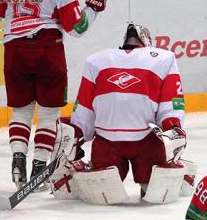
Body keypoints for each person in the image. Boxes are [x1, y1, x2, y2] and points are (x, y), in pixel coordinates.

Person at [0, 0, 112, 189]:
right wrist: (94, 5)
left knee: (21, 111)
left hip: (15, 50)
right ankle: (39, 167)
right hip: (48, 49)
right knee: (48, 114)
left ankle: (18, 158)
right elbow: (76, 29)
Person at [50, 23, 195, 205]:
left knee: (101, 191)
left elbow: (85, 109)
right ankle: (180, 172)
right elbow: (171, 105)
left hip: (109, 142)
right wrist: (173, 127)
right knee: (156, 190)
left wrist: (76, 134)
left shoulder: (97, 60)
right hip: (145, 142)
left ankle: (71, 175)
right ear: (147, 43)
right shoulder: (164, 58)